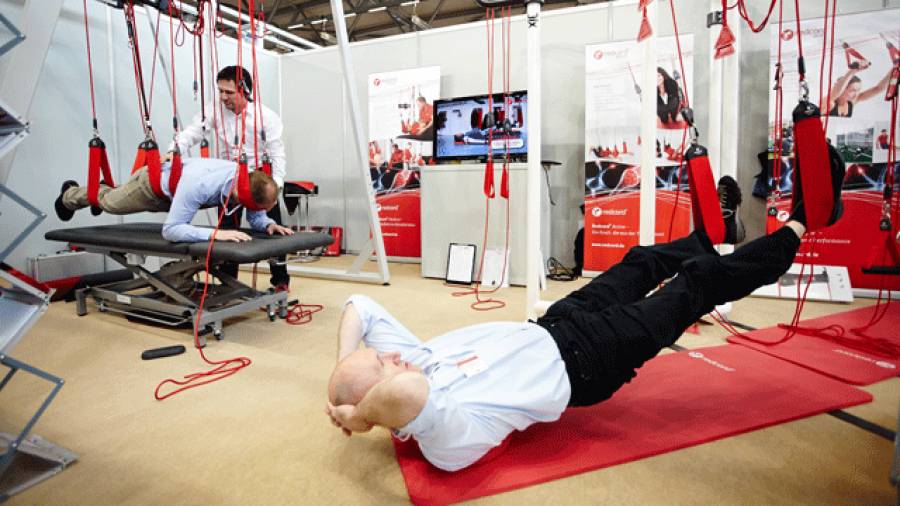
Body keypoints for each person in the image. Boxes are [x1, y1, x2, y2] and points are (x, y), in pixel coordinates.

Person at [325, 149, 846, 472]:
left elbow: (360, 304)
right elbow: (402, 393)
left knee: (641, 261)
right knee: (698, 287)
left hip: (555, 325)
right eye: (382, 363)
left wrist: (344, 364)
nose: (393, 357)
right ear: (379, 402)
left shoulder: (409, 362)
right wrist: (361, 416)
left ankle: (713, 235)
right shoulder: (443, 431)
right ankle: (800, 226)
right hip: (589, 361)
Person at [171, 65, 292, 290]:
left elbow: (277, 153)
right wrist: (174, 149)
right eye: (221, 91)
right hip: (230, 181)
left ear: (244, 90)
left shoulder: (266, 117)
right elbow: (193, 132)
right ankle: (228, 285)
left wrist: (276, 186)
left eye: (229, 92)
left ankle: (281, 282)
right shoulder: (215, 110)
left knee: (273, 230)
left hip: (260, 180)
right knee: (227, 235)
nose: (223, 97)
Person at [53, 157, 293, 243]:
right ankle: (70, 195)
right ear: (243, 195)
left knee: (111, 197)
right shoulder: (200, 184)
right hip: (150, 187)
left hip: (175, 193)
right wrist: (215, 234)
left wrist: (267, 224)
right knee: (109, 204)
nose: (258, 212)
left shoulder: (245, 182)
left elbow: (254, 211)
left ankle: (104, 190)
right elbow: (171, 230)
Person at [827, 67, 894, 118]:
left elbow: (878, 88)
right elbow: (836, 91)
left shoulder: (853, 101)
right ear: (842, 90)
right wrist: (851, 71)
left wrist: (894, 69)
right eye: (853, 90)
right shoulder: (829, 102)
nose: (856, 94)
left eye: (858, 90)